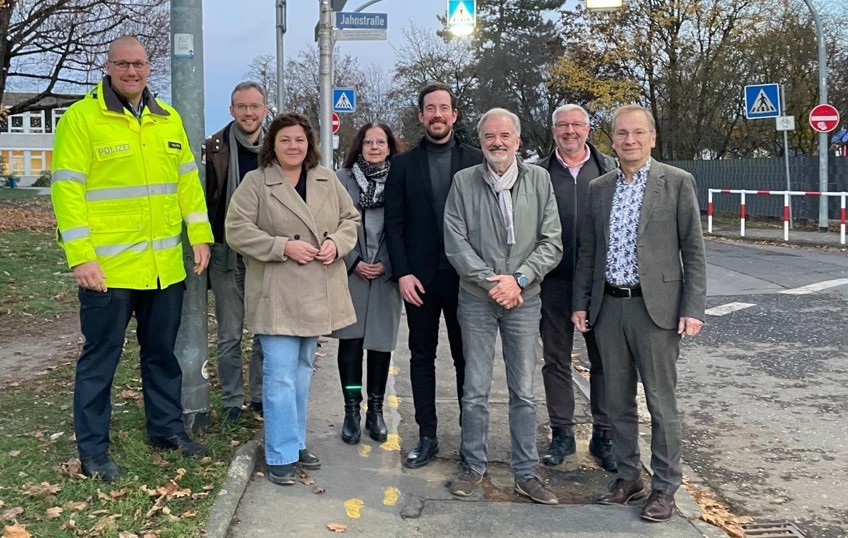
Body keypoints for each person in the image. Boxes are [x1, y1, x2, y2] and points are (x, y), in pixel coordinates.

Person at [50, 36, 213, 482]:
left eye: (139, 64)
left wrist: (200, 236)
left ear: (149, 66)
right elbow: (66, 190)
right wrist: (80, 257)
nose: (132, 72)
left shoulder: (168, 119)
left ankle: (166, 430)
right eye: (122, 64)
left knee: (161, 354)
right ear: (108, 66)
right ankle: (93, 451)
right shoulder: (82, 119)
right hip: (109, 269)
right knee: (101, 359)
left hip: (163, 269)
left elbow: (187, 186)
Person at [571, 104, 706, 522]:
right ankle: (629, 478)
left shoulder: (678, 183)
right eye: (621, 134)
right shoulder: (600, 187)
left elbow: (694, 251)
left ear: (652, 137)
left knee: (662, 404)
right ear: (612, 140)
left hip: (658, 311)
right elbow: (589, 252)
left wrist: (693, 307)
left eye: (636, 133)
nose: (629, 140)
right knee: (617, 401)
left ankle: (665, 488)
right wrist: (580, 301)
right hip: (609, 308)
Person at [225, 112, 360, 486]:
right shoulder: (256, 182)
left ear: (309, 144)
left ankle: (296, 442)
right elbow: (236, 230)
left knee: (301, 372)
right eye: (285, 140)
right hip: (277, 292)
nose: (293, 146)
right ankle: (280, 452)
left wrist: (337, 243)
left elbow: (351, 220)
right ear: (273, 144)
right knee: (280, 374)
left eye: (299, 140)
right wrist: (282, 246)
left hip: (318, 289)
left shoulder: (326, 178)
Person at [444, 108, 563, 505]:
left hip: (524, 299)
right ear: (481, 142)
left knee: (523, 392)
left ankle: (526, 473)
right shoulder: (463, 182)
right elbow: (455, 240)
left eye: (505, 135)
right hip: (478, 298)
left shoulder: (540, 180)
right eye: (490, 136)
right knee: (474, 388)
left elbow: (552, 242)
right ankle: (472, 465)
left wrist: (520, 280)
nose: (497, 142)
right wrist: (491, 281)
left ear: (517, 141)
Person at [384, 82, 483, 469]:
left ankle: (469, 439)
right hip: (419, 279)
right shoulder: (404, 165)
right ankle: (427, 436)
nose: (437, 114)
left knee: (466, 359)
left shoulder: (476, 161)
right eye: (430, 108)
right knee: (422, 357)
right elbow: (394, 223)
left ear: (454, 115)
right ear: (421, 115)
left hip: (467, 279)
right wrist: (402, 273)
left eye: (444, 108)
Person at [535, 104, 617, 470]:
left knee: (604, 360)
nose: (570, 131)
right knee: (555, 359)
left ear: (588, 129)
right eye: (563, 125)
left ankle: (604, 434)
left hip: (599, 283)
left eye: (576, 125)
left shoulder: (610, 170)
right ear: (554, 131)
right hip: (552, 281)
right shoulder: (537, 173)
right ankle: (562, 433)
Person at [331, 122, 403, 445]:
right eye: (368, 142)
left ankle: (375, 410)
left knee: (379, 343)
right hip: (351, 272)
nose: (374, 147)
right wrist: (354, 262)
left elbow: (405, 225)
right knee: (350, 344)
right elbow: (331, 224)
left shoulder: (400, 179)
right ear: (358, 147)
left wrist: (386, 263)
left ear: (390, 147)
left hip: (386, 273)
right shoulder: (341, 180)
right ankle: (351, 409)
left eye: (381, 142)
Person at [205, 81, 268, 422]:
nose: (248, 112)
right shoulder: (214, 147)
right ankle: (231, 400)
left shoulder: (279, 146)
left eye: (254, 106)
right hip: (226, 252)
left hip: (265, 254)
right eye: (241, 106)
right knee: (229, 333)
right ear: (231, 110)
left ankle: (259, 396)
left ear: (265, 109)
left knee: (263, 329)